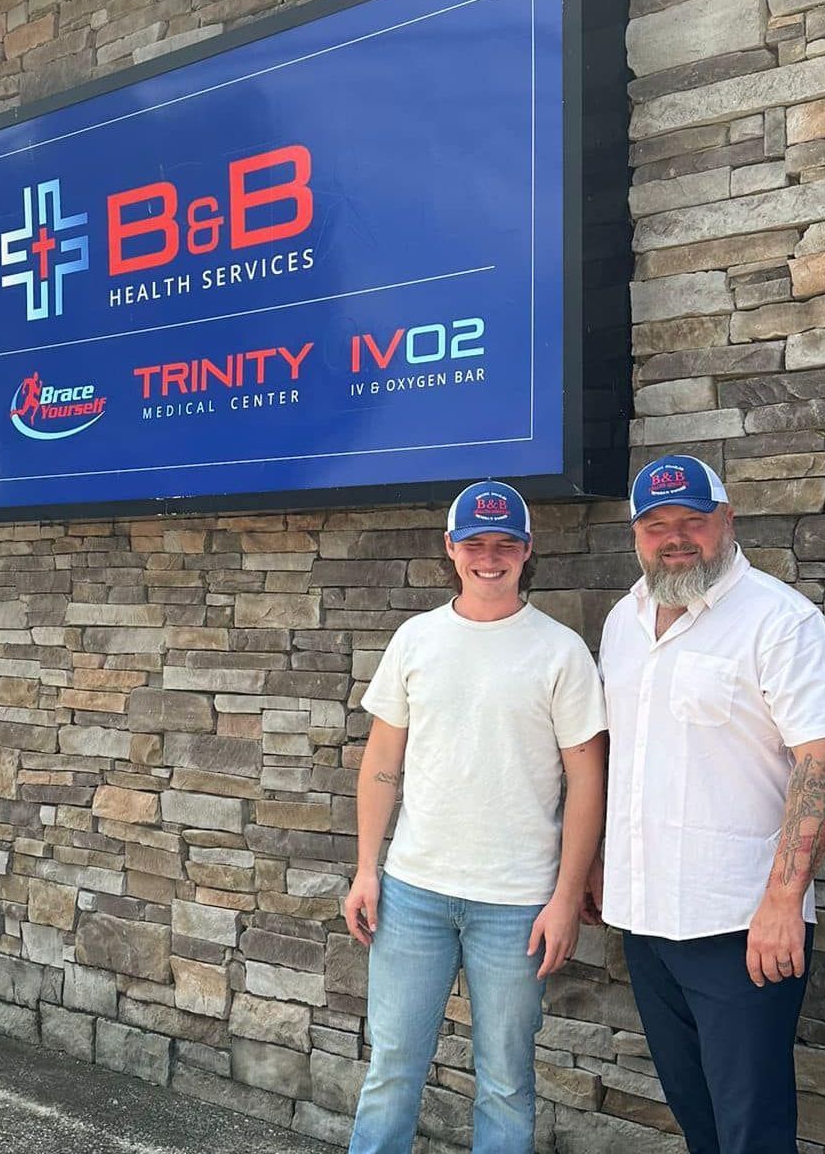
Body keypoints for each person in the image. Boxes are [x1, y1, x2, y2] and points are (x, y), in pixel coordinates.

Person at [590, 454, 825, 1154]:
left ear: (727, 521)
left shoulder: (780, 621)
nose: (675, 536)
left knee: (752, 1130)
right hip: (645, 921)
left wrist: (782, 901)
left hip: (741, 929)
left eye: (693, 520)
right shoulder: (624, 620)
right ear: (636, 534)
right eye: (657, 525)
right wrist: (600, 861)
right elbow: (632, 755)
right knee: (698, 1118)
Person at [342, 478, 608, 1154]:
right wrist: (366, 870)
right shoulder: (416, 638)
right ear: (450, 548)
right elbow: (380, 765)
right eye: (475, 543)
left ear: (526, 549)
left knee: (506, 1082)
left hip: (516, 906)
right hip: (413, 894)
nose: (490, 556)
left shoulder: (560, 650)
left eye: (505, 543)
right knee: (392, 1071)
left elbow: (586, 781)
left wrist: (565, 895)